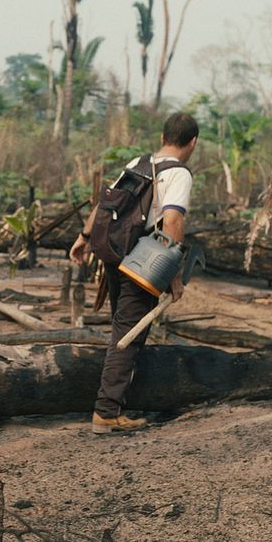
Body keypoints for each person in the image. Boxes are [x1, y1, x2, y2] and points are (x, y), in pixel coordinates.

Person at [70, 112, 198, 434]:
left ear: (162, 138)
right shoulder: (179, 174)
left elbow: (105, 205)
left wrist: (84, 238)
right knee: (126, 336)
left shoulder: (138, 162)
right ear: (193, 142)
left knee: (122, 327)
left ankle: (118, 399)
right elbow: (172, 222)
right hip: (144, 263)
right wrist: (173, 274)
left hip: (114, 256)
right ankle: (106, 412)